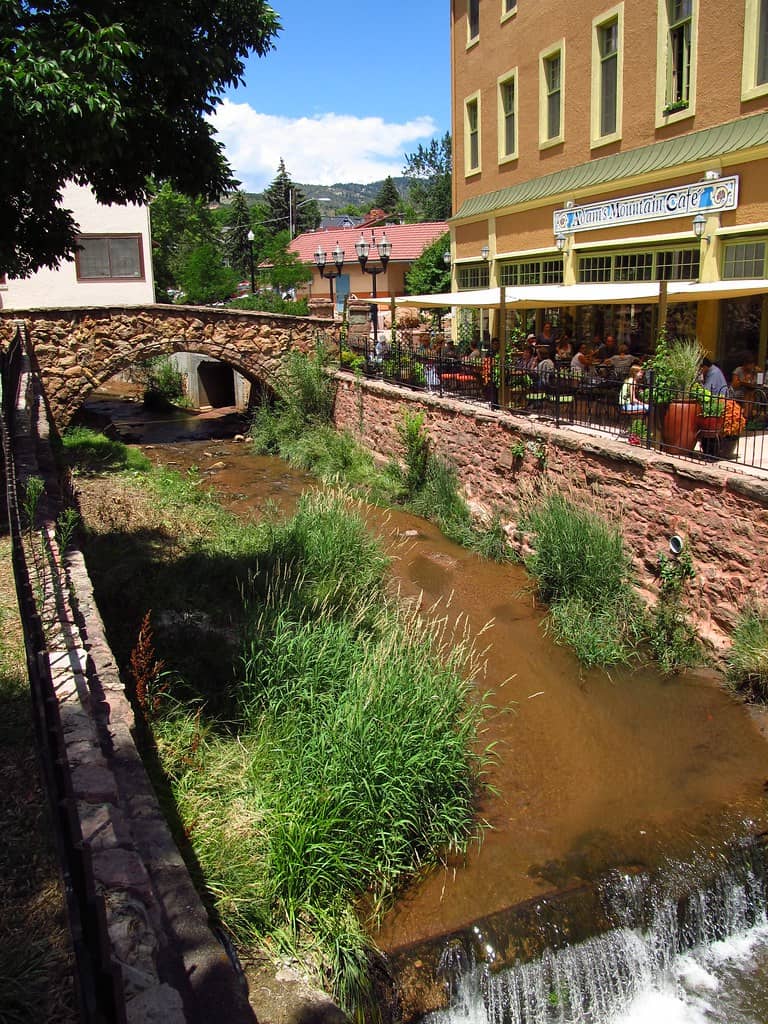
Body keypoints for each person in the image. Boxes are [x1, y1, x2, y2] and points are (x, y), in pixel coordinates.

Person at [731, 352, 758, 420]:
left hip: (750, 392)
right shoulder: (738, 370)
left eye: (752, 364)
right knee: (748, 394)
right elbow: (734, 385)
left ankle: (747, 416)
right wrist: (743, 382)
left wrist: (757, 373)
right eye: (750, 364)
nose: (751, 366)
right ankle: (746, 416)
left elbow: (755, 384)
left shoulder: (754, 371)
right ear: (745, 364)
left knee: (750, 393)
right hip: (737, 391)